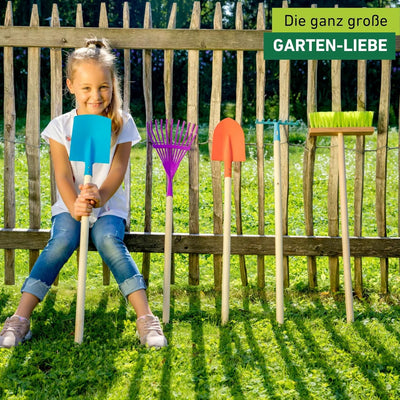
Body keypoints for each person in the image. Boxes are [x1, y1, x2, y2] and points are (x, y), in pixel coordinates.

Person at [0, 38, 167, 349]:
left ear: (113, 85)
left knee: (107, 239)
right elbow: (62, 175)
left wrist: (98, 197)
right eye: (87, 88)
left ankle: (146, 319)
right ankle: (20, 318)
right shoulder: (59, 127)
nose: (96, 95)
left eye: (103, 87)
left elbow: (117, 171)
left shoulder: (122, 124)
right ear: (71, 86)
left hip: (109, 208)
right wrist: (74, 204)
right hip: (69, 205)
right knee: (62, 238)